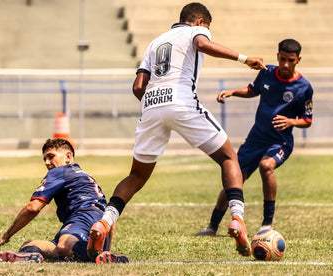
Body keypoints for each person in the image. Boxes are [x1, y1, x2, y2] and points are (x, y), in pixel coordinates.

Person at [86, 2, 266, 259]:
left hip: (151, 105)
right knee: (228, 158)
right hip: (181, 101)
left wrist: (155, 106)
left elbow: (138, 86)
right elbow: (203, 45)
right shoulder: (195, 31)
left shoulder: (155, 42)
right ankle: (237, 218)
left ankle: (104, 222)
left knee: (136, 176)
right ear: (200, 21)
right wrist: (245, 59)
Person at [196, 38, 314, 236]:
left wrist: (291, 122)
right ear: (277, 56)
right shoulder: (266, 73)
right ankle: (212, 226)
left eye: (291, 60)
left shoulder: (304, 87)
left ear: (298, 60)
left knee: (266, 166)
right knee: (235, 179)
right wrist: (232, 92)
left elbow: (307, 120)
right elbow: (252, 90)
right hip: (255, 139)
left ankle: (267, 224)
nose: (286, 64)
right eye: (283, 59)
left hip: (280, 141)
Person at [0, 138, 128, 264]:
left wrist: (5, 236)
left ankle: (95, 254)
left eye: (51, 156)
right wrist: (108, 249)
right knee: (30, 245)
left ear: (68, 157)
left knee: (64, 245)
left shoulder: (61, 171)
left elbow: (33, 208)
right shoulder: (85, 176)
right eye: (44, 158)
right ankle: (33, 255)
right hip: (97, 224)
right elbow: (110, 214)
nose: (46, 162)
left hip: (81, 218)